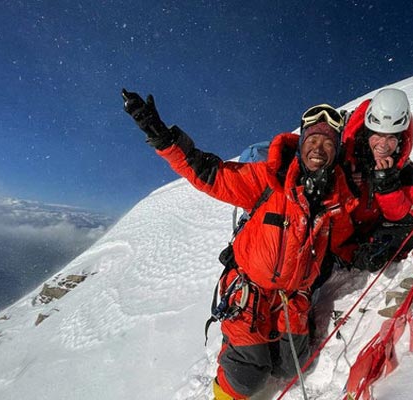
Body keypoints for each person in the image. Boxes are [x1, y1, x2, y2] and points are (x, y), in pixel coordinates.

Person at [122, 90, 356, 400]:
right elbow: (209, 173)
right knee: (247, 376)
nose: (319, 147)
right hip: (250, 292)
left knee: (290, 368)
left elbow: (345, 244)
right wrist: (162, 137)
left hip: (293, 299)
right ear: (300, 143)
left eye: (328, 142)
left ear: (336, 151)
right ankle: (231, 366)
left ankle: (267, 343)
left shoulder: (336, 200)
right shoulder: (267, 179)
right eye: (313, 138)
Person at [340, 88, 413, 271]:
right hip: (341, 239)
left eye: (392, 137)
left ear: (401, 139)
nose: (383, 145)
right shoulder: (343, 159)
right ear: (367, 132)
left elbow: (408, 216)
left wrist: (388, 187)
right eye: (377, 135)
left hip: (371, 234)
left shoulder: (407, 172)